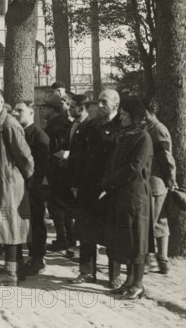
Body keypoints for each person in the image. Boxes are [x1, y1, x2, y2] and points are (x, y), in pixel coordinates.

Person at [68, 89, 123, 288]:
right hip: (88, 187)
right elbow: (79, 156)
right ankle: (86, 271)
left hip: (111, 189)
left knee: (112, 233)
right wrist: (75, 183)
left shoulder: (122, 126)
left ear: (116, 104)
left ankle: (114, 275)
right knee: (86, 231)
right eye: (98, 101)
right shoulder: (91, 126)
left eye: (104, 102)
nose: (99, 105)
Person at [0, 87, 34, 287]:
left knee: (10, 226)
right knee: (6, 225)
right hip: (0, 182)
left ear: (1, 101)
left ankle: (11, 273)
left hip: (9, 184)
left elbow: (25, 157)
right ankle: (14, 268)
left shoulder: (8, 124)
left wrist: (21, 180)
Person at [103, 98, 153, 300]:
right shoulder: (125, 136)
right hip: (121, 194)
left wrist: (111, 181)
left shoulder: (143, 137)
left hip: (135, 195)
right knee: (128, 239)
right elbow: (113, 162)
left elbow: (134, 167)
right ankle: (129, 281)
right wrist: (107, 180)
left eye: (124, 114)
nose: (121, 117)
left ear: (135, 117)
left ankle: (138, 284)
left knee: (138, 240)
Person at [12, 101, 50, 276]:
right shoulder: (18, 133)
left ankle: (37, 258)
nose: (15, 113)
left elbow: (42, 166)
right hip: (18, 186)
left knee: (35, 222)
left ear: (31, 113)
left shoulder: (39, 135)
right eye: (14, 110)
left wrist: (31, 185)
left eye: (20, 110)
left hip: (33, 187)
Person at [143, 97, 177, 275]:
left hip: (156, 182)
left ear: (148, 112)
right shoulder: (151, 128)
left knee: (150, 221)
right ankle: (163, 261)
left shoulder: (157, 129)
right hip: (157, 182)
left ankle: (151, 261)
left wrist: (171, 180)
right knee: (160, 220)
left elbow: (166, 158)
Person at [38, 94, 75, 253]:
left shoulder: (56, 127)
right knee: (63, 207)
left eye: (45, 108)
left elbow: (58, 149)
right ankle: (69, 239)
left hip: (57, 171)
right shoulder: (65, 124)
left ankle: (63, 239)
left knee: (57, 207)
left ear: (53, 110)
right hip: (63, 170)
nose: (42, 110)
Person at [63, 94, 92, 258]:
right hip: (71, 173)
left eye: (72, 106)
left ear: (81, 109)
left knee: (82, 214)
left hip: (81, 177)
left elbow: (85, 154)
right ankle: (75, 244)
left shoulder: (90, 125)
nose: (69, 109)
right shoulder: (74, 123)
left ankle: (83, 248)